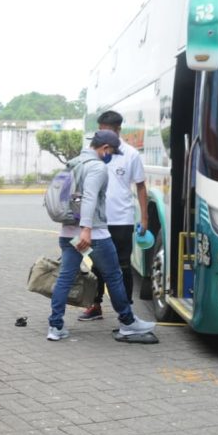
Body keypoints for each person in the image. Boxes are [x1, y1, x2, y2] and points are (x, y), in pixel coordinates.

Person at [48, 130, 156, 341]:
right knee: (114, 275)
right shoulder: (97, 167)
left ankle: (55, 326)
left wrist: (78, 228)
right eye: (112, 152)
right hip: (93, 235)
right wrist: (86, 229)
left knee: (66, 277)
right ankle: (128, 322)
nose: (112, 156)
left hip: (69, 233)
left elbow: (63, 196)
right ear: (105, 148)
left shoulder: (73, 163)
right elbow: (89, 197)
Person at [80, 111, 148, 321]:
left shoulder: (131, 154)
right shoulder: (90, 152)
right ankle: (95, 305)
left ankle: (126, 311)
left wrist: (144, 218)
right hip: (96, 221)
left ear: (118, 130)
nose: (103, 135)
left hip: (122, 220)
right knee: (96, 263)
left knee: (123, 265)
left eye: (107, 131)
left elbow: (141, 186)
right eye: (100, 130)